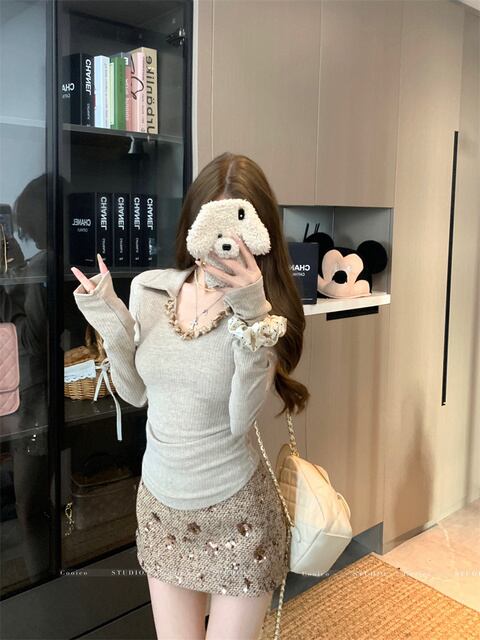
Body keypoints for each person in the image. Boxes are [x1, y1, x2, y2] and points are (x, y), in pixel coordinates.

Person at [71, 152, 309, 639]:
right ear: (193, 224)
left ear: (260, 233)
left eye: (237, 227)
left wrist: (251, 313)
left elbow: (241, 418)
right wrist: (110, 318)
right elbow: (135, 394)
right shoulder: (150, 289)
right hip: (162, 508)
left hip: (238, 515)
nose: (224, 243)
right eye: (212, 223)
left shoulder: (266, 315)